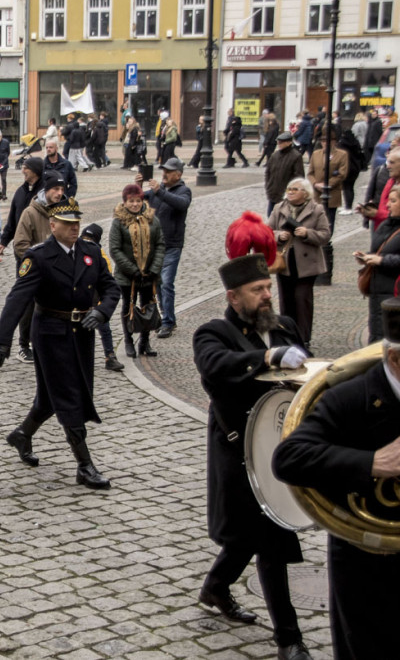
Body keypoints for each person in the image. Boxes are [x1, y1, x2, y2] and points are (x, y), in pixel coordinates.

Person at [192, 253, 312, 660]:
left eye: (267, 288)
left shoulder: (284, 327)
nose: (266, 296)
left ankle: (216, 586)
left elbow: (305, 375)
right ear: (233, 296)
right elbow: (215, 366)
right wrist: (265, 358)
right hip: (238, 447)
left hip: (280, 448)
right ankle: (289, 640)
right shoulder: (214, 332)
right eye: (256, 291)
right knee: (269, 538)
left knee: (251, 532)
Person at [272, 298, 400, 660]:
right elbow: (288, 458)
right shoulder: (349, 398)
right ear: (394, 359)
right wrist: (373, 462)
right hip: (368, 562)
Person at [0, 197, 120, 489]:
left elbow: (111, 288)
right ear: (53, 225)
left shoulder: (90, 252)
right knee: (69, 395)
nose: (75, 228)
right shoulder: (38, 257)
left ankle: (22, 435)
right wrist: (3, 341)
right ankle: (85, 466)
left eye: (77, 222)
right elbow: (18, 298)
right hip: (50, 333)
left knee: (52, 397)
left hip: (82, 333)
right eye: (68, 223)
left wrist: (101, 311)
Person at [267, 178, 331, 346]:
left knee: (302, 300)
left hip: (307, 265)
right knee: (286, 300)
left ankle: (303, 338)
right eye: (289, 189)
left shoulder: (316, 210)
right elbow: (267, 232)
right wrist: (278, 236)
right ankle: (287, 335)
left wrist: (307, 233)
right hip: (285, 262)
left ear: (305, 193)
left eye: (295, 189)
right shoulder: (279, 208)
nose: (291, 191)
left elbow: (325, 235)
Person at [136, 157, 192, 338]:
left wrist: (159, 191)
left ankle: (168, 322)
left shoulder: (184, 191)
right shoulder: (156, 191)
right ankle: (164, 318)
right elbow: (136, 199)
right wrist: (137, 186)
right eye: (164, 171)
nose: (164, 174)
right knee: (158, 285)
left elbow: (181, 204)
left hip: (172, 245)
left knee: (167, 283)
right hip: (155, 246)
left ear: (179, 174)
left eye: (168, 171)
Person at [110, 183, 165, 361]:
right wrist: (132, 270)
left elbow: (160, 245)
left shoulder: (152, 220)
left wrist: (153, 268)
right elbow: (115, 249)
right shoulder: (119, 222)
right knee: (128, 306)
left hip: (149, 273)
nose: (135, 204)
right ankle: (128, 340)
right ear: (125, 202)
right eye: (131, 201)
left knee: (148, 305)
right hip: (128, 276)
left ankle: (145, 341)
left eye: (137, 201)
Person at [0, 158, 45, 362]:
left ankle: (41, 342)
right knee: (26, 301)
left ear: (35, 171)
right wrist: (4, 240)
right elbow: (13, 220)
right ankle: (24, 344)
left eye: (26, 168)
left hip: (44, 256)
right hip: (24, 257)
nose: (23, 170)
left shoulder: (46, 192)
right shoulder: (20, 192)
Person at [357, 185, 400, 341]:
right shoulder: (385, 225)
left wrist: (381, 260)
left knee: (390, 340)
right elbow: (379, 251)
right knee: (376, 335)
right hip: (377, 290)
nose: (387, 205)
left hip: (394, 293)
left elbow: (384, 257)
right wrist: (367, 257)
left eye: (393, 201)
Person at [80, 223, 123, 372]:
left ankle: (109, 356)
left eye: (90, 239)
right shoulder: (75, 251)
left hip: (95, 303)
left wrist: (101, 307)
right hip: (78, 303)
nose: (86, 241)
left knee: (105, 329)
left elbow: (107, 283)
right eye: (84, 238)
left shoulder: (100, 255)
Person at [308, 133, 349, 284]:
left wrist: (328, 184)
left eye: (328, 140)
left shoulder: (341, 155)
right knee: (314, 223)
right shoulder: (316, 154)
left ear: (334, 141)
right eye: (323, 140)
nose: (325, 143)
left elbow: (342, 173)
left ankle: (324, 254)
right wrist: (315, 184)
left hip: (331, 195)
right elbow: (311, 173)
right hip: (317, 195)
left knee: (328, 225)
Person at [264, 132, 305, 217]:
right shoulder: (275, 155)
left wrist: (292, 191)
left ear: (289, 142)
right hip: (273, 193)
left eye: (281, 142)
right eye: (278, 142)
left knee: (284, 219)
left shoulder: (296, 156)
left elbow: (299, 176)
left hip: (286, 194)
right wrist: (268, 186)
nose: (279, 144)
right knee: (271, 218)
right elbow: (268, 172)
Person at [337, 128, 367, 215]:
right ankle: (348, 205)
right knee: (350, 187)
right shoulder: (355, 142)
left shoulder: (342, 143)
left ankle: (348, 207)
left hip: (347, 167)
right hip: (355, 168)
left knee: (346, 187)